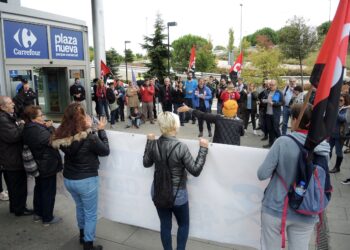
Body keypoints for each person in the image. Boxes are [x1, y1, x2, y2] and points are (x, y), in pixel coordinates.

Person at [257, 103, 330, 250]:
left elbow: (262, 174)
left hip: (276, 207)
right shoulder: (323, 148)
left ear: (296, 119)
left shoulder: (283, 142)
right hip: (307, 210)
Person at [143, 111, 209, 250]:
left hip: (158, 190)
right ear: (175, 126)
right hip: (177, 194)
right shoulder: (181, 147)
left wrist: (149, 142)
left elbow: (146, 163)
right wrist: (203, 149)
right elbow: (195, 170)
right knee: (183, 224)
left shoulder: (154, 144)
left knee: (165, 225)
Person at [52, 103, 109, 250]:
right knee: (90, 213)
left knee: (80, 207)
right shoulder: (88, 136)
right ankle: (88, 244)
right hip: (86, 180)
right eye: (84, 114)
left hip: (70, 179)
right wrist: (101, 131)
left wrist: (90, 129)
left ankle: (82, 235)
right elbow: (105, 151)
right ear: (81, 118)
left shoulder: (62, 134)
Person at [22, 105, 63, 225]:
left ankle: (38, 213)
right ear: (33, 118)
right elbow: (53, 141)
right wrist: (50, 128)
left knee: (39, 189)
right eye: (41, 115)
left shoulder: (29, 127)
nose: (43, 117)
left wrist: (45, 127)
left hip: (39, 163)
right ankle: (47, 217)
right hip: (46, 165)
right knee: (48, 192)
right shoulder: (38, 130)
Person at [0, 96, 33, 216]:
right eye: (10, 103)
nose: (13, 104)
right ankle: (20, 209)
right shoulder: (2, 119)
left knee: (14, 186)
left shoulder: (7, 117)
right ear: (2, 107)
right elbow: (13, 136)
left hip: (11, 157)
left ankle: (15, 207)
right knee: (18, 186)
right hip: (12, 158)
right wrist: (21, 125)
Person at [178, 99, 244, 145]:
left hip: (218, 147)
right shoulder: (240, 122)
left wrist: (189, 109)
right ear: (235, 111)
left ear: (224, 110)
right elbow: (241, 133)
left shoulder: (218, 118)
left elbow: (202, 115)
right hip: (233, 149)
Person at [329, 94, 350, 174]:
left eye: (341, 100)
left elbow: (343, 118)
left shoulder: (347, 109)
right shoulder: (337, 107)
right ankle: (326, 164)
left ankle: (337, 168)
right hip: (332, 133)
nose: (339, 102)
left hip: (340, 135)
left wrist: (336, 111)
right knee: (328, 150)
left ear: (345, 101)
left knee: (338, 151)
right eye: (338, 100)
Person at [262, 80, 283, 148]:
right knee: (270, 129)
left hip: (275, 114)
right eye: (270, 84)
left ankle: (281, 143)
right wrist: (264, 101)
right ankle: (271, 143)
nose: (270, 86)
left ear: (276, 85)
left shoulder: (279, 92)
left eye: (272, 85)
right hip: (268, 113)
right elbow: (266, 99)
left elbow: (282, 102)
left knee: (276, 128)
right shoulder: (268, 91)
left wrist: (274, 103)